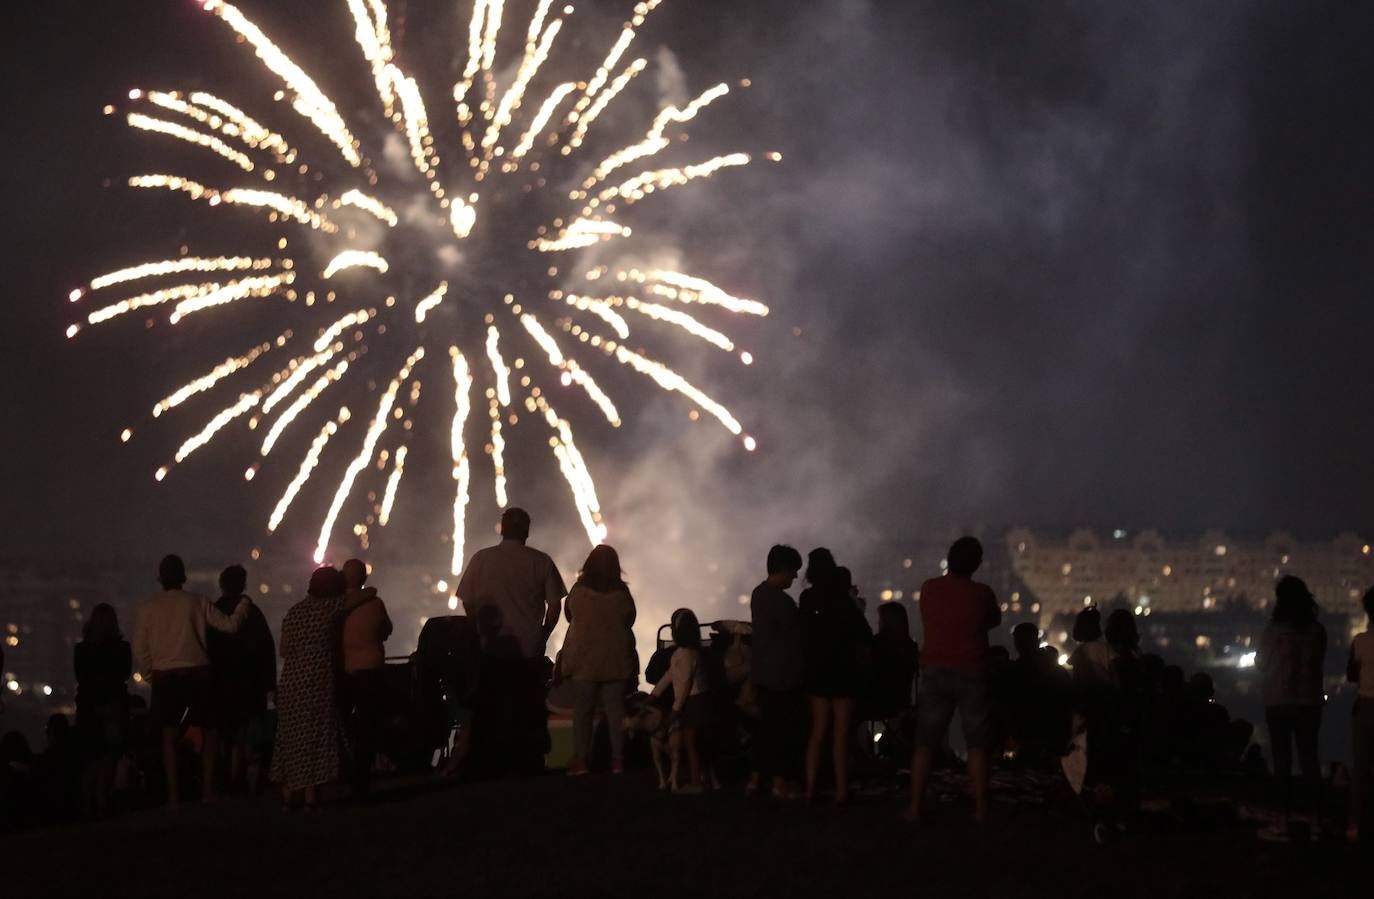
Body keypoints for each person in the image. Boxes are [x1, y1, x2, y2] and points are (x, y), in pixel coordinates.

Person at [132, 554, 253, 808]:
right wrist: (243, 606)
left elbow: (141, 650)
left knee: (168, 736)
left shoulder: (147, 608)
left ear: (160, 579)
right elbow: (230, 625)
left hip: (165, 676)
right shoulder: (197, 602)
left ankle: (174, 796)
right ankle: (208, 791)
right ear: (183, 577)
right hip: (199, 674)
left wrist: (152, 677)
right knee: (210, 732)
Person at [455, 507, 567, 777]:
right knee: (527, 707)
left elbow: (467, 600)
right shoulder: (540, 561)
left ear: (501, 529)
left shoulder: (482, 559)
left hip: (491, 647)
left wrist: (479, 629)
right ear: (527, 531)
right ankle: (527, 761)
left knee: (491, 706)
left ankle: (488, 762)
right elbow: (555, 605)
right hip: (528, 647)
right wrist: (543, 633)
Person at [905, 536, 1001, 825]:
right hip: (972, 670)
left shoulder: (930, 588)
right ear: (976, 564)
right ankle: (981, 810)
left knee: (925, 742)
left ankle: (914, 807)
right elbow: (993, 620)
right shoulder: (982, 594)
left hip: (935, 668)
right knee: (977, 743)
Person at [272, 566, 369, 810]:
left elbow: (283, 650)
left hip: (290, 679)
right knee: (313, 735)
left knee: (288, 736)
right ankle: (309, 797)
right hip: (316, 678)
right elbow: (367, 594)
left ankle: (287, 796)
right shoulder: (331, 608)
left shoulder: (294, 612)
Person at [1256, 575, 1327, 840]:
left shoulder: (1273, 630)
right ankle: (1316, 819)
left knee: (1282, 760)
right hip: (1309, 701)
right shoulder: (1317, 631)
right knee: (1310, 760)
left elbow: (1261, 663)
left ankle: (1282, 819)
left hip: (1278, 699)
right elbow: (1320, 664)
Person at [560, 544, 637, 775]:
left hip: (584, 659)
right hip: (616, 658)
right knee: (615, 711)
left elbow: (569, 616)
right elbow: (630, 619)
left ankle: (582, 761)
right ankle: (617, 761)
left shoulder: (578, 590)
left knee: (582, 711)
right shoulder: (622, 593)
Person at [801, 564, 870, 803]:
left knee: (818, 731)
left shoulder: (813, 603)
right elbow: (864, 636)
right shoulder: (847, 607)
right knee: (841, 734)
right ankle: (841, 790)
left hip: (818, 674)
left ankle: (810, 788)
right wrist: (857, 605)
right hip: (842, 674)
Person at [206, 565, 276, 795]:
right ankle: (245, 785)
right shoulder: (253, 614)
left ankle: (225, 784)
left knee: (226, 737)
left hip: (221, 686)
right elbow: (266, 651)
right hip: (250, 687)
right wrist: (269, 685)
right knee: (248, 739)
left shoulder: (213, 612)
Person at [747, 544, 805, 799]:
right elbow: (797, 635)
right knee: (781, 731)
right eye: (793, 572)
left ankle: (756, 779)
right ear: (783, 569)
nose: (794, 578)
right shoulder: (782, 601)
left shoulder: (758, 594)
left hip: (762, 672)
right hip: (782, 675)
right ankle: (780, 783)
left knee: (765, 729)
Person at [340, 558, 392, 799]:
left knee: (340, 725)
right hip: (371, 668)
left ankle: (340, 772)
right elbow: (386, 630)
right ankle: (362, 779)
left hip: (343, 670)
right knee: (367, 726)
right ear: (364, 578)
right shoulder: (375, 603)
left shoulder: (335, 605)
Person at [74, 603, 131, 818]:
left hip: (89, 707)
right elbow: (124, 674)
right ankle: (102, 800)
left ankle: (87, 804)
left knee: (90, 758)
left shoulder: (81, 649)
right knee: (110, 756)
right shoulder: (122, 648)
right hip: (114, 705)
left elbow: (81, 677)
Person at [651, 608, 709, 793]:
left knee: (690, 741)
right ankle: (700, 777)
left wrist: (675, 710)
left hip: (693, 702)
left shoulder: (685, 655)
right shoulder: (684, 653)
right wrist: (654, 694)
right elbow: (670, 675)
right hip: (692, 701)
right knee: (691, 740)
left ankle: (696, 782)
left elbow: (684, 684)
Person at [1347, 587, 1374, 843]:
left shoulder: (1361, 641)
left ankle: (1355, 825)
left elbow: (1352, 675)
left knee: (1362, 767)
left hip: (1366, 707)